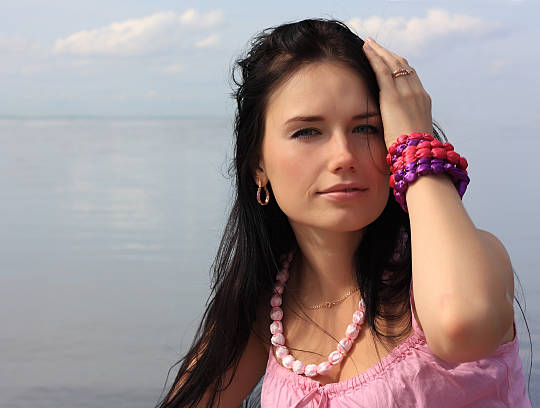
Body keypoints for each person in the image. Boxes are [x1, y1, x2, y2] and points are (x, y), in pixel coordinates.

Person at [157, 18, 531, 407]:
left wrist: (418, 150)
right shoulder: (266, 305)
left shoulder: (473, 264)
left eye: (367, 129)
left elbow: (462, 325)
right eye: (307, 132)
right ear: (259, 165)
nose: (344, 157)